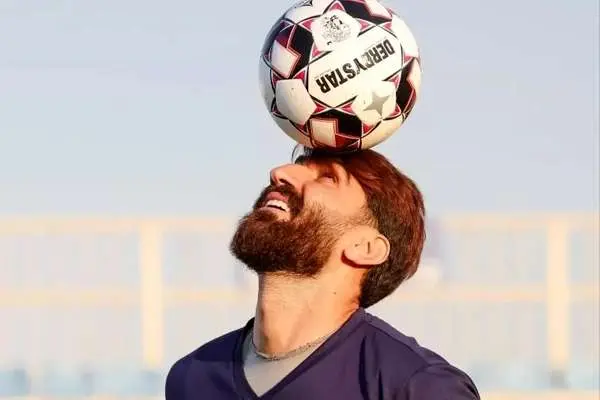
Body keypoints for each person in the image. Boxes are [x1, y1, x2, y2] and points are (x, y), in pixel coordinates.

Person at [165, 147, 480, 399]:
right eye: (298, 166)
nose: (279, 172)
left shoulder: (417, 386)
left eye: (328, 178)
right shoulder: (192, 378)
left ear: (365, 247)